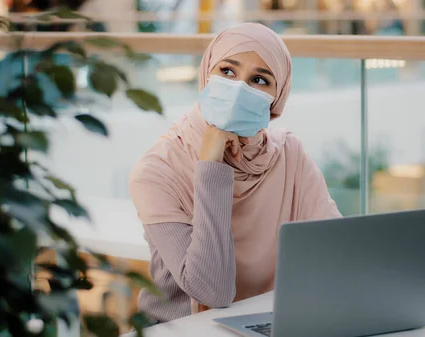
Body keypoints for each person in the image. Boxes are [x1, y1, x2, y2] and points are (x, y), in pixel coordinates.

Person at [129, 22, 341, 324]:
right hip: (181, 329)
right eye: (227, 71)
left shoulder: (289, 154)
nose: (240, 88)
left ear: (276, 100)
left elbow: (335, 251)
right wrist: (211, 166)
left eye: (259, 79)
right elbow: (212, 291)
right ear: (206, 75)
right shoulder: (156, 171)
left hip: (273, 321)